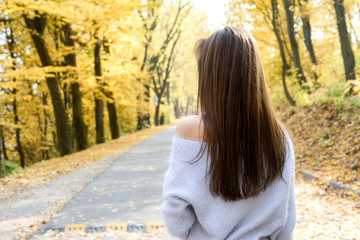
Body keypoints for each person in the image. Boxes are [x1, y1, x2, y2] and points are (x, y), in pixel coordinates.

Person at [161, 26, 296, 240]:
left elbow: (176, 215)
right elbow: (287, 219)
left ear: (211, 79)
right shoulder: (279, 136)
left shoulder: (191, 130)